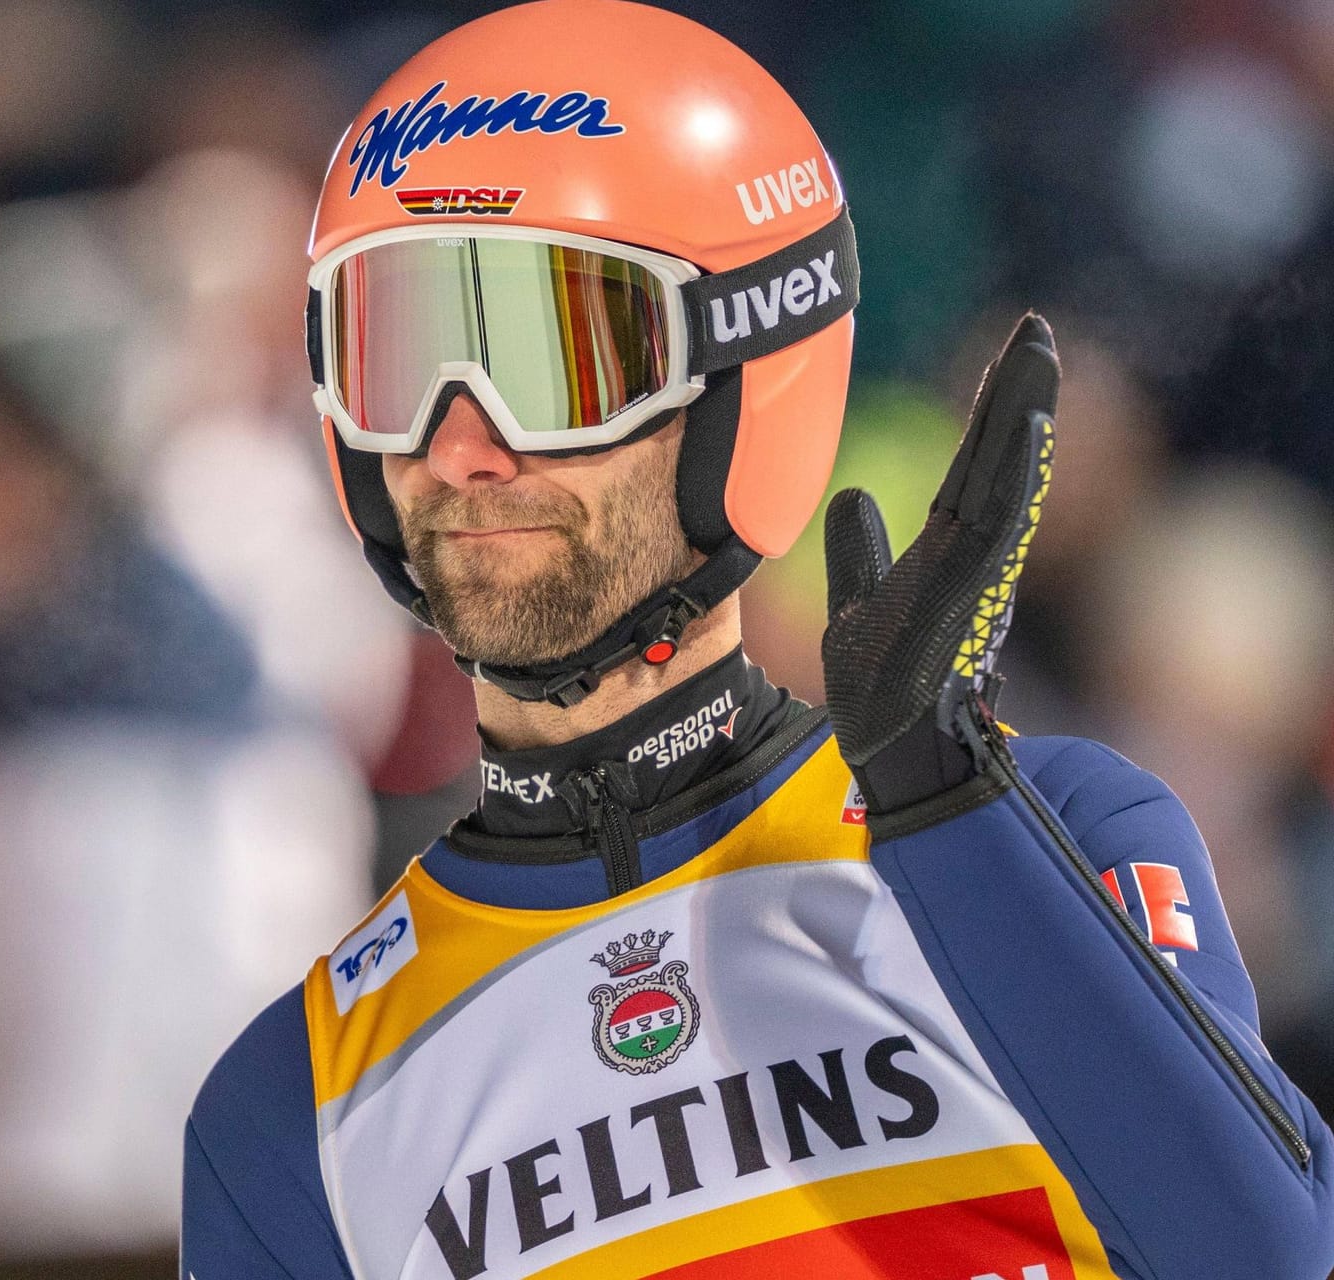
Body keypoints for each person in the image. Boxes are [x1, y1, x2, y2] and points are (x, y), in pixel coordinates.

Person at [180, 3, 1334, 1278]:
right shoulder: (286, 1112)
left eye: (554, 353)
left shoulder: (1064, 830)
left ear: (746, 372)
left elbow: (1263, 1254)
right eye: (393, 355)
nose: (464, 444)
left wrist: (951, 810)